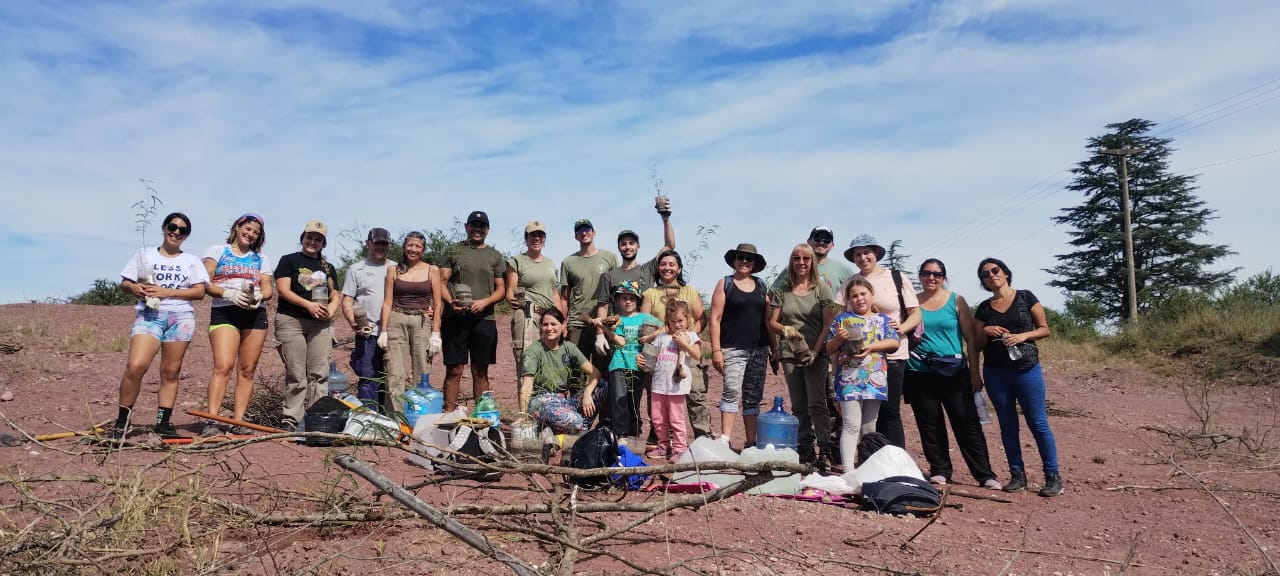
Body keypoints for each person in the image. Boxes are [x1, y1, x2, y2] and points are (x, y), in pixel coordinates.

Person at [111, 212, 209, 439]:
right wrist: (134, 289)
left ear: (186, 236)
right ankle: (122, 422)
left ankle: (162, 423)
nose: (177, 232)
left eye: (182, 230)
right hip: (149, 315)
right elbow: (125, 282)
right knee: (136, 366)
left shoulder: (191, 260)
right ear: (164, 228)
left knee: (170, 372)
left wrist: (167, 292)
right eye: (173, 227)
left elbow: (199, 291)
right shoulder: (144, 255)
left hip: (180, 318)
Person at [905, 259, 1001, 489]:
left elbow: (971, 339)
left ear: (944, 277)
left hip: (953, 372)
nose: (931, 278)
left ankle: (984, 474)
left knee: (966, 423)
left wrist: (974, 372)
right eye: (926, 273)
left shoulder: (955, 300)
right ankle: (939, 470)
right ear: (919, 276)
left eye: (937, 274)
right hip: (919, 371)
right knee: (929, 423)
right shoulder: (911, 302)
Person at [971, 258, 1062, 497]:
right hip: (996, 373)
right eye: (985, 274)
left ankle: (1053, 477)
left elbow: (1044, 329)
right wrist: (985, 331)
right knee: (1007, 425)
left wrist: (1023, 337)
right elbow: (976, 345)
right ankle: (1017, 475)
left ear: (1006, 272)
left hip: (1027, 370)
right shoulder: (984, 308)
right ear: (983, 282)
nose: (991, 275)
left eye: (995, 270)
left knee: (1038, 423)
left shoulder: (1025, 297)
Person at [841, 234, 921, 448]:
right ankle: (871, 459)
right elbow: (839, 317)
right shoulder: (850, 283)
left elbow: (916, 313)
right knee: (864, 415)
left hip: (892, 354)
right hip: (858, 360)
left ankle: (896, 462)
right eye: (857, 254)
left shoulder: (895, 277)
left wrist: (901, 329)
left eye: (867, 252)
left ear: (875, 253)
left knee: (889, 411)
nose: (862, 257)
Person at [201, 213, 274, 437]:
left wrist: (260, 296)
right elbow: (205, 280)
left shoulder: (261, 258)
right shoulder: (217, 251)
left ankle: (238, 420)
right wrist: (228, 293)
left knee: (247, 369)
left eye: (256, 232)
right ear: (237, 227)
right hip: (225, 310)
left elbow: (268, 288)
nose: (250, 234)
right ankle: (212, 419)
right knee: (223, 366)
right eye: (248, 228)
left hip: (254, 313)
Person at [768, 243, 839, 466]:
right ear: (791, 261)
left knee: (817, 402)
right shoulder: (783, 290)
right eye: (796, 258)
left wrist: (817, 352)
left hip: (816, 352)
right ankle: (805, 447)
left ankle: (825, 449)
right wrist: (786, 330)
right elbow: (772, 322)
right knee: (799, 403)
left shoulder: (822, 289)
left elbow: (828, 324)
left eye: (806, 259)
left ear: (812, 262)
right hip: (790, 353)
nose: (801, 262)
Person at [825, 278, 901, 470]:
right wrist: (838, 338)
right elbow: (829, 348)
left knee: (869, 425)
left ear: (871, 295)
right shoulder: (842, 320)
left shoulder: (883, 320)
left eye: (863, 294)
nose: (859, 299)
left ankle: (867, 468)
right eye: (854, 296)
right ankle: (849, 471)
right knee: (851, 424)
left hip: (874, 380)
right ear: (849, 300)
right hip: (848, 380)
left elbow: (893, 344)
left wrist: (872, 347)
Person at [274, 220, 340, 430]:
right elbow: (283, 290)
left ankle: (317, 418)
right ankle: (291, 419)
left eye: (318, 239)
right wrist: (308, 305)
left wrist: (330, 311)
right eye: (310, 237)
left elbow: (335, 295)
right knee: (296, 372)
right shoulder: (289, 260)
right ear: (302, 238)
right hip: (291, 320)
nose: (313, 241)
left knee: (319, 373)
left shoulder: (328, 267)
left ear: (323, 243)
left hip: (320, 325)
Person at [439, 211, 507, 412]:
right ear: (466, 227)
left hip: (484, 319)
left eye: (482, 226)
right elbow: (441, 282)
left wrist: (485, 302)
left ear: (487, 229)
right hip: (455, 318)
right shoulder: (453, 251)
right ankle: (448, 413)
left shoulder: (495, 255)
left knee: (480, 370)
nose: (477, 229)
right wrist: (450, 301)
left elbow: (502, 289)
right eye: (473, 225)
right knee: (454, 369)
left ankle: (482, 415)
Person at [709, 243, 774, 449]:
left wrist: (775, 349)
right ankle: (725, 442)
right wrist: (716, 350)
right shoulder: (725, 283)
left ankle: (751, 443)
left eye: (749, 259)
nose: (744, 261)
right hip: (732, 348)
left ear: (754, 264)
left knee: (753, 397)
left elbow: (768, 321)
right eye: (741, 258)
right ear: (734, 260)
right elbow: (715, 319)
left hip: (759, 349)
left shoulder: (762, 285)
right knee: (731, 392)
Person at [640, 250, 710, 438]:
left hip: (687, 349)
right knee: (658, 393)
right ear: (658, 268)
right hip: (660, 351)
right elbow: (645, 324)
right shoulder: (650, 294)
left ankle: (703, 435)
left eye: (672, 264)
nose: (667, 268)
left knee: (695, 393)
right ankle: (661, 436)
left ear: (679, 268)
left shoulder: (690, 291)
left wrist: (689, 336)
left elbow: (702, 319)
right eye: (663, 264)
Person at [379, 231, 443, 415]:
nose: (413, 249)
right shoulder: (393, 270)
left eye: (418, 246)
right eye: (410, 245)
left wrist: (436, 333)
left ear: (423, 249)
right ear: (404, 247)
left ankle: (419, 414)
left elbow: (438, 304)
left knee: (422, 368)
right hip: (397, 318)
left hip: (422, 320)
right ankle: (396, 418)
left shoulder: (432, 270)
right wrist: (383, 330)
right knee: (394, 371)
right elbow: (387, 302)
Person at [519, 308, 603, 435]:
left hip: (563, 400)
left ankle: (575, 434)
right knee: (576, 421)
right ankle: (575, 432)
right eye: (545, 324)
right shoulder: (534, 351)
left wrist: (587, 393)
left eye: (553, 324)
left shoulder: (569, 348)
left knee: (602, 386)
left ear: (563, 325)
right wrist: (524, 415)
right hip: (541, 402)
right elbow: (527, 384)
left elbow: (595, 372)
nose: (549, 328)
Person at [341, 227, 396, 407]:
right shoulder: (356, 269)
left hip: (393, 332)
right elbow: (347, 300)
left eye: (384, 243)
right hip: (368, 331)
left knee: (392, 376)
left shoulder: (396, 268)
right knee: (368, 376)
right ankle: (370, 420)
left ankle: (391, 419)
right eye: (376, 243)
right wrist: (352, 321)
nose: (380, 247)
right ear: (368, 244)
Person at [505, 221, 562, 387]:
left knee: (548, 360)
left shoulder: (551, 264)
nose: (536, 238)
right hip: (527, 315)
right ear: (526, 238)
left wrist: (561, 319)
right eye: (532, 235)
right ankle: (525, 410)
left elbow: (554, 293)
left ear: (544, 239)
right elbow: (510, 291)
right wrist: (518, 302)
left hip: (548, 317)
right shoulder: (517, 261)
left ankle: (544, 409)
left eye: (540, 235)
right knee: (527, 362)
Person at [560, 218, 619, 378]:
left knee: (604, 371)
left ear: (594, 233)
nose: (584, 233)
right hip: (577, 323)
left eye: (587, 229)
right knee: (576, 371)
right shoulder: (568, 262)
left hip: (604, 323)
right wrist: (564, 323)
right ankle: (577, 403)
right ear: (576, 236)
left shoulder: (609, 258)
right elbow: (564, 297)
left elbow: (616, 291)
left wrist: (616, 320)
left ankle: (602, 403)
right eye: (580, 231)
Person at [605, 281, 659, 444]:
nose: (628, 301)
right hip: (620, 363)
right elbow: (620, 342)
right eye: (624, 298)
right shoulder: (617, 320)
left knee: (634, 400)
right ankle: (620, 433)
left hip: (639, 365)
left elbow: (665, 328)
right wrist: (606, 329)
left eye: (632, 298)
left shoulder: (646, 317)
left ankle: (634, 431)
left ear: (638, 301)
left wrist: (651, 337)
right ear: (618, 301)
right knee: (619, 399)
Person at [649, 300, 700, 461]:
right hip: (658, 384)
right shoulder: (662, 337)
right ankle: (664, 445)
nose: (677, 325)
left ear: (687, 320)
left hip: (677, 386)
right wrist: (641, 359)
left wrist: (683, 344)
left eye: (680, 321)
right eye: (673, 321)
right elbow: (651, 356)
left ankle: (680, 448)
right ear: (667, 322)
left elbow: (697, 355)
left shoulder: (691, 336)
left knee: (676, 419)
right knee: (658, 418)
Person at [772, 226, 856, 293]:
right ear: (808, 241)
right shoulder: (793, 268)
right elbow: (771, 295)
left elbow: (861, 291)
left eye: (827, 239)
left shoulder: (843, 269)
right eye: (818, 238)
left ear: (832, 245)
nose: (822, 242)